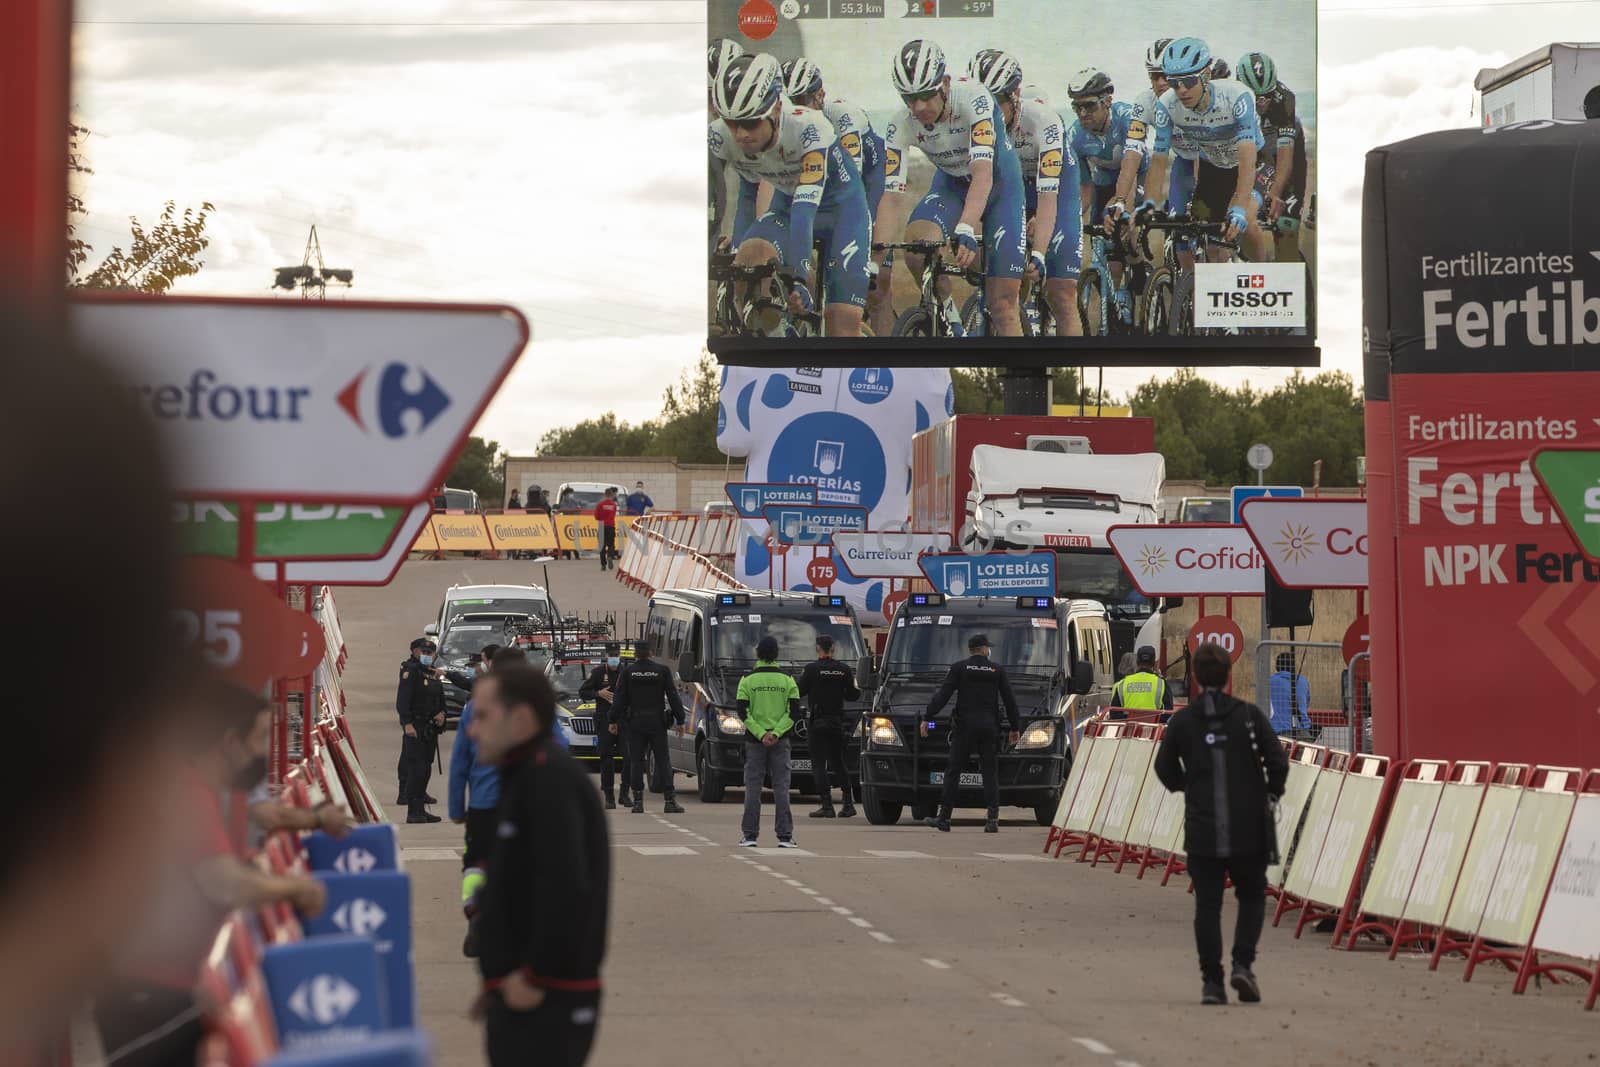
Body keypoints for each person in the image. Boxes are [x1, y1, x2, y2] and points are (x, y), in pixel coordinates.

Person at [96, 683, 328, 1067]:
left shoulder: (196, 788)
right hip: (148, 991)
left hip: (162, 984)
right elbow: (224, 882)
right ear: (229, 742)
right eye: (257, 738)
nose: (261, 751)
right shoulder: (185, 792)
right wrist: (296, 888)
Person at [467, 665, 610, 1067]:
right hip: (523, 994)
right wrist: (496, 978)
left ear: (521, 719)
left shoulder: (549, 782)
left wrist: (532, 977)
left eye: (481, 716)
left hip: (547, 997)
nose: (472, 730)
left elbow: (565, 887)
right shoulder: (524, 775)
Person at [1153, 642, 1288, 1006]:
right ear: (1229, 675)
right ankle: (1242, 964)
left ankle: (1212, 982)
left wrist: (1189, 787)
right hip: (1249, 826)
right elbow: (1277, 761)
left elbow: (1164, 769)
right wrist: (1271, 793)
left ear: (1194, 676)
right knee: (1251, 896)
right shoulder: (1248, 716)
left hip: (1204, 827)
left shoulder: (1183, 721)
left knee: (1208, 905)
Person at [710, 52, 873, 338]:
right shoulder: (719, 135)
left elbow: (804, 211)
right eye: (731, 122)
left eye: (749, 122)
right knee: (750, 258)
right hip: (787, 204)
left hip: (841, 210)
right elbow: (708, 195)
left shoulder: (809, 127)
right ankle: (780, 342)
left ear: (774, 109)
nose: (739, 134)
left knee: (841, 328)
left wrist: (798, 277)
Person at [873, 39, 1027, 337]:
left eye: (926, 96)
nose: (918, 107)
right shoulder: (899, 125)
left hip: (999, 185)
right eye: (908, 98)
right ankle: (951, 321)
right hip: (952, 185)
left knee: (1003, 304)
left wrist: (967, 227)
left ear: (944, 83)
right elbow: (891, 197)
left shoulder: (975, 98)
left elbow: (983, 174)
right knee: (917, 247)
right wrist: (875, 260)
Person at [969, 49, 1082, 336]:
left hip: (1055, 189)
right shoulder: (974, 121)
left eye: (995, 104)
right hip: (1014, 187)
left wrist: (1040, 253)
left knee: (1062, 292)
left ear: (1014, 95)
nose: (988, 115)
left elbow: (1048, 196)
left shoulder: (1044, 122)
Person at [1144, 37, 1270, 262]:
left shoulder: (1236, 97)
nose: (1181, 90)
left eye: (1189, 81)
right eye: (1174, 83)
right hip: (1214, 168)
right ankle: (1219, 289)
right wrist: (1149, 204)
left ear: (1206, 74)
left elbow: (1247, 161)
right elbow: (1159, 159)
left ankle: (1265, 275)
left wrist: (1240, 207)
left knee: (1246, 221)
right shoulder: (1166, 105)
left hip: (1254, 162)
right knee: (1211, 242)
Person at [451, 647, 523, 958]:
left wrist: (456, 808)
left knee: (475, 864)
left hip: (483, 804)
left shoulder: (475, 707)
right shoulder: (533, 707)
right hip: (524, 805)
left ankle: (475, 912)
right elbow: (558, 754)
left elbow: (460, 761)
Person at [923, 633, 1018, 834]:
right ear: (983, 649)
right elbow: (1009, 699)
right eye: (987, 647)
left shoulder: (959, 668)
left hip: (965, 727)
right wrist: (1015, 727)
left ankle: (944, 818)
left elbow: (943, 695)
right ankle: (992, 819)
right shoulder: (996, 669)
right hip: (989, 727)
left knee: (953, 771)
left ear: (970, 650)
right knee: (989, 772)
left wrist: (927, 716)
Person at [1236, 51, 1308, 264]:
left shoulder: (1284, 100)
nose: (1261, 103)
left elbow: (1285, 156)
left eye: (1265, 96)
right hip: (1256, 152)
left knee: (1285, 230)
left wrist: (1275, 194)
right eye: (1255, 98)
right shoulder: (1234, 99)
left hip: (1284, 154)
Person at [737, 636, 802, 847]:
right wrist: (776, 733)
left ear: (757, 654)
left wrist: (760, 734)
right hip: (780, 742)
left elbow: (742, 712)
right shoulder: (788, 680)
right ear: (776, 655)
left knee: (753, 788)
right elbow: (793, 713)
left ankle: (749, 836)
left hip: (755, 742)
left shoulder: (747, 681)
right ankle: (784, 836)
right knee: (782, 788)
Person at [611, 640, 687, 815]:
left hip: (635, 723)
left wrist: (612, 720)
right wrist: (680, 720)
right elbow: (673, 696)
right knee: (663, 760)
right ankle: (669, 801)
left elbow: (619, 699)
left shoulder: (628, 672)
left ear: (636, 654)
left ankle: (638, 802)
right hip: (657, 723)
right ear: (651, 652)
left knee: (637, 762)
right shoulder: (662, 671)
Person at [798, 635, 858, 819]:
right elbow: (852, 696)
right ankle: (848, 804)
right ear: (833, 648)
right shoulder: (844, 670)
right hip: (836, 722)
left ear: (818, 649)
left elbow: (799, 691)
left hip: (818, 723)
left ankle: (827, 805)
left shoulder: (811, 669)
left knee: (818, 764)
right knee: (838, 762)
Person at [396, 637, 446, 823]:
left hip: (430, 729)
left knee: (425, 768)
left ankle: (421, 809)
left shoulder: (432, 673)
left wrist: (443, 714)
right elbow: (403, 701)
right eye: (423, 652)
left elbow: (440, 699)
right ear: (417, 652)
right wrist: (406, 723)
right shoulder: (411, 672)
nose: (426, 656)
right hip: (415, 727)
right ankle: (413, 811)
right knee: (416, 769)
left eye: (430, 653)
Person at [580, 642, 633, 809]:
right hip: (604, 721)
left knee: (629, 757)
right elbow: (583, 692)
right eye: (611, 656)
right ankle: (609, 796)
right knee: (606, 758)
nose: (613, 659)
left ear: (620, 656)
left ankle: (624, 794)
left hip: (624, 721)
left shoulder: (626, 673)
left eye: (616, 656)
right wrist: (598, 693)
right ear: (606, 657)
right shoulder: (597, 673)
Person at [1110, 645, 1173, 720]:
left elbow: (1114, 713)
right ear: (1153, 662)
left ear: (1137, 661)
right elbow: (1168, 711)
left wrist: (1129, 719)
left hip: (1128, 729)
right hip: (1154, 729)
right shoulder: (1161, 683)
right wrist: (1153, 720)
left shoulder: (1122, 683)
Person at [1268, 651, 1312, 734]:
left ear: (1277, 666)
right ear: (1293, 666)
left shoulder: (1269, 681)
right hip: (1303, 731)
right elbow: (1306, 703)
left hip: (1279, 733)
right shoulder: (1303, 681)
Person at [594, 487, 620, 572]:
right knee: (611, 544)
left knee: (602, 547)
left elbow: (596, 516)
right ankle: (609, 555)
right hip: (611, 526)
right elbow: (614, 515)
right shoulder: (614, 505)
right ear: (612, 495)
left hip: (602, 526)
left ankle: (603, 565)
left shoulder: (600, 505)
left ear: (605, 494)